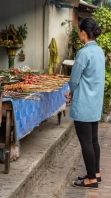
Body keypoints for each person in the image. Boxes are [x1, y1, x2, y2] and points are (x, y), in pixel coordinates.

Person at [65, 18, 105, 189]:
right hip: (95, 102)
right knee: (93, 140)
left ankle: (91, 179)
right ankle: (95, 173)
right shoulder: (99, 51)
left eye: (79, 32)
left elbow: (74, 79)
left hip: (83, 103)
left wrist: (70, 91)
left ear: (83, 32)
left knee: (86, 142)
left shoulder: (83, 53)